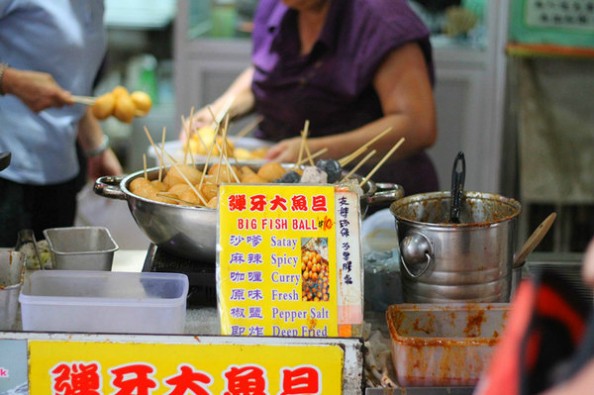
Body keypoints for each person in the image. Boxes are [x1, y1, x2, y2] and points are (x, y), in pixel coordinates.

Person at [187, 0, 438, 197]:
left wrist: (314, 150)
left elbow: (417, 125)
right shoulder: (279, 5)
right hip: (288, 190)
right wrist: (220, 110)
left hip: (367, 197)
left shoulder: (381, 18)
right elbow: (269, 72)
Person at [0, 1, 122, 247]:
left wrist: (96, 145)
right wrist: (10, 80)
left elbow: (70, 81)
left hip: (60, 172)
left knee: (50, 279)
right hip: (8, 170)